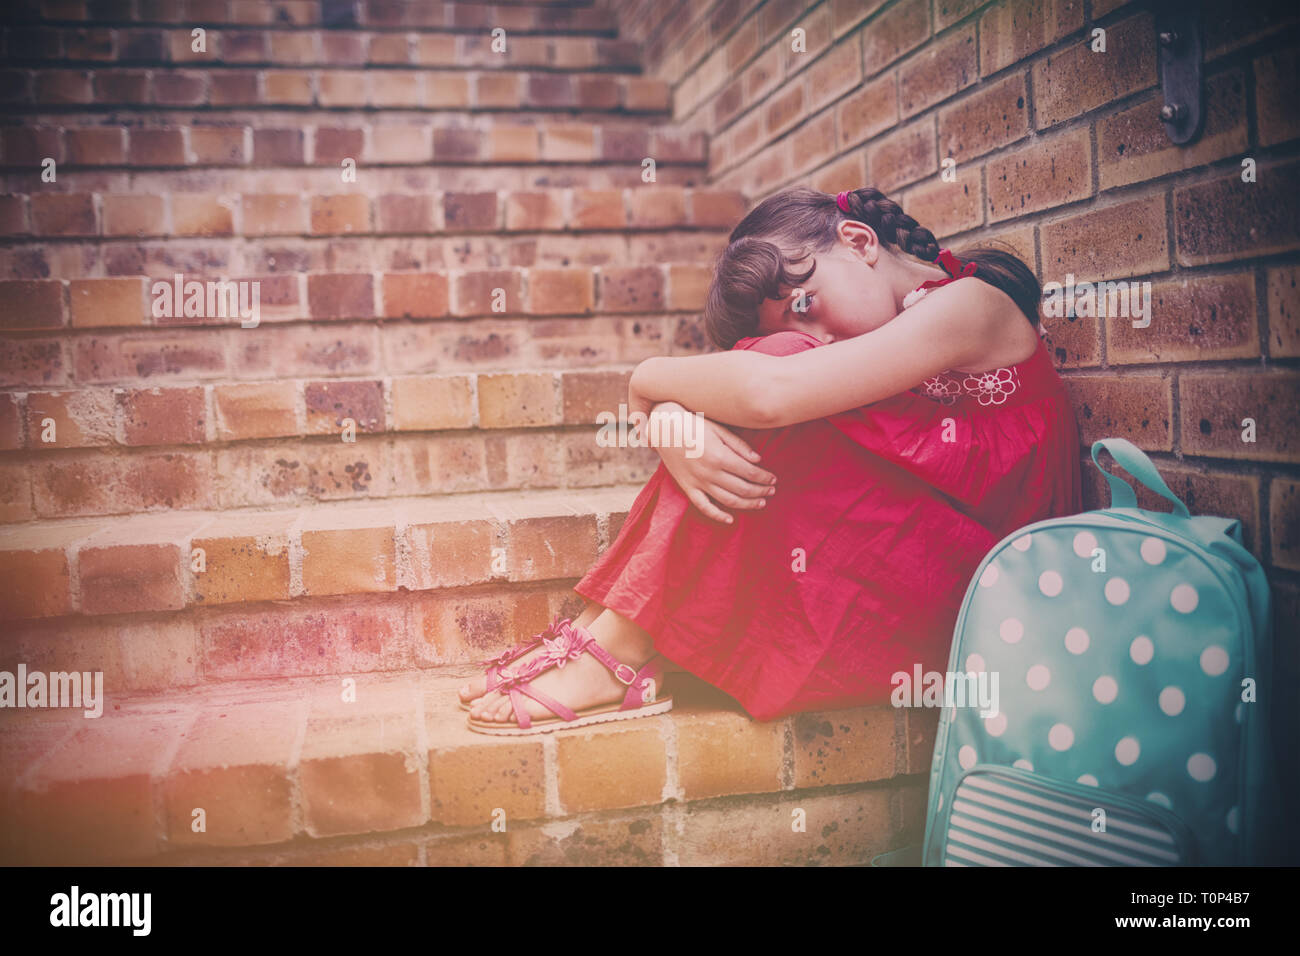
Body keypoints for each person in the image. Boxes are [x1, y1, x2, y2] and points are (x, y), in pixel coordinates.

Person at [458, 185, 1082, 734]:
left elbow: (769, 392)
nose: (819, 337)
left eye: (806, 301)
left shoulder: (970, 305)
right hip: (922, 553)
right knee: (771, 368)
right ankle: (607, 632)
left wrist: (647, 387)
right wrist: (677, 421)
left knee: (779, 361)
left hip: (989, 595)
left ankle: (619, 643)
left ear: (859, 241)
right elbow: (757, 391)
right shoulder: (898, 327)